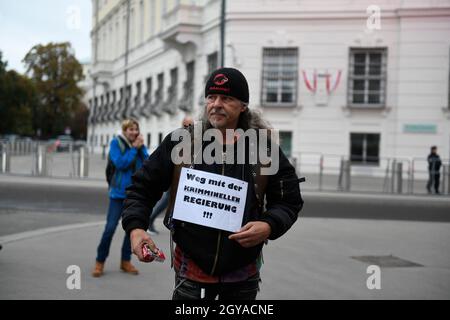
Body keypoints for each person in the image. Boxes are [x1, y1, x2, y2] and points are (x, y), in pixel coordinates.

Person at [122, 67, 303, 300]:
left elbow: (289, 201)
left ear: (243, 105)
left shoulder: (264, 149)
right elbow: (141, 187)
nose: (216, 104)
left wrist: (268, 226)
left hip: (242, 272)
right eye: (211, 97)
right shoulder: (182, 142)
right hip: (191, 269)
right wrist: (136, 228)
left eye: (226, 98)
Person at [92, 119, 149, 277]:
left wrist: (141, 147)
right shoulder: (115, 143)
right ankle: (99, 261)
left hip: (135, 195)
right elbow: (120, 164)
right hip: (118, 194)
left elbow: (147, 162)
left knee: (130, 231)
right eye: (130, 129)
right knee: (110, 229)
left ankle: (126, 261)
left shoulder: (138, 146)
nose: (133, 132)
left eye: (136, 129)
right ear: (124, 131)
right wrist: (133, 149)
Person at [147, 116, 194, 235]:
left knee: (174, 201)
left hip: (184, 177)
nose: (188, 128)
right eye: (186, 125)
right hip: (175, 177)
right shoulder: (178, 137)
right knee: (167, 200)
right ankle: (151, 220)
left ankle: (173, 223)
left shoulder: (192, 138)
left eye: (191, 125)